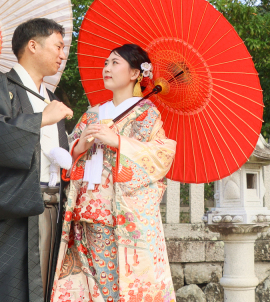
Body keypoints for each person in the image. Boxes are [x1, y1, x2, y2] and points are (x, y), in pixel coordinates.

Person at [0, 18, 74, 302]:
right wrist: (41, 119)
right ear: (33, 45)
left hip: (49, 208)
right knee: (1, 287)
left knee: (44, 285)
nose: (63, 54)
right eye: (58, 46)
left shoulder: (49, 97)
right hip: (7, 208)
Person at [51, 44, 177, 302]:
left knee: (118, 284)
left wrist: (119, 142)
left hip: (120, 214)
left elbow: (161, 156)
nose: (106, 68)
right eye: (106, 63)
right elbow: (67, 153)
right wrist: (79, 146)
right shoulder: (92, 113)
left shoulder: (146, 114)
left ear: (135, 74)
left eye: (115, 63)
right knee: (91, 283)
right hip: (84, 210)